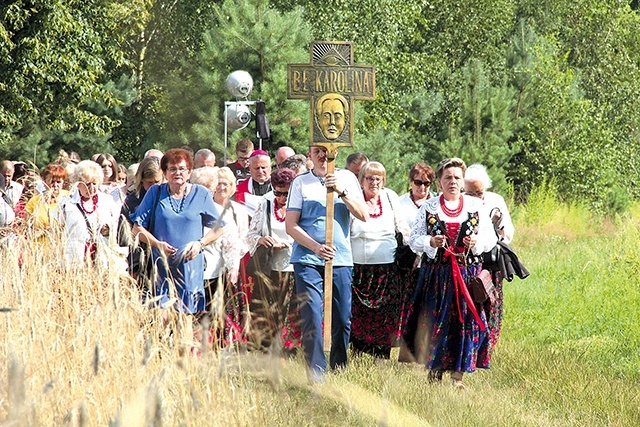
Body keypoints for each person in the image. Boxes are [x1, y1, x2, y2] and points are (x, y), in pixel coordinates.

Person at [402, 157, 496, 388]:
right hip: (437, 276)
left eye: (456, 177)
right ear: (439, 183)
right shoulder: (429, 207)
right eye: (447, 177)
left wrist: (476, 241)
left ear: (462, 181)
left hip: (466, 274)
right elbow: (413, 240)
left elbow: (490, 239)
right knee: (436, 323)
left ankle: (458, 376)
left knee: (464, 324)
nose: (452, 182)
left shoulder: (475, 207)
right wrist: (430, 241)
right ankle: (434, 372)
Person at [286, 145, 368, 382]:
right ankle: (316, 372)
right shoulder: (300, 183)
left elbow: (363, 215)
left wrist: (341, 192)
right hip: (308, 258)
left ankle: (339, 367)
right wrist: (315, 247)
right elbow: (291, 225)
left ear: (335, 153)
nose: (323, 155)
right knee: (312, 313)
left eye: (326, 151)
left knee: (342, 318)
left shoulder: (348, 179)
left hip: (340, 258)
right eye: (317, 151)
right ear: (310, 155)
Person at [130, 148, 223, 314]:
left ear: (189, 172)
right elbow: (137, 228)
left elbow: (219, 228)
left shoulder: (200, 193)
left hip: (190, 268)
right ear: (165, 173)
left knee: (185, 321)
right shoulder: (155, 192)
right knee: (163, 319)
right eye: (172, 169)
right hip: (162, 269)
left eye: (182, 169)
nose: (177, 173)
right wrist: (158, 244)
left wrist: (199, 244)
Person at [349, 161, 410, 359]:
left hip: (387, 268)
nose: (374, 182)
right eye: (369, 178)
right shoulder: (354, 198)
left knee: (385, 314)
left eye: (378, 178)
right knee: (358, 313)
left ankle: (380, 356)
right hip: (358, 268)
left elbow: (402, 226)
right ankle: (358, 353)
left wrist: (414, 248)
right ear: (362, 180)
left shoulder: (390, 197)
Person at [463, 163, 515, 366]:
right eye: (470, 193)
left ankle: (487, 348)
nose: (476, 197)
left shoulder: (496, 200)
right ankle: (470, 346)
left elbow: (508, 233)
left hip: (490, 264)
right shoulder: (461, 203)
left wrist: (497, 225)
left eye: (479, 192)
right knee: (472, 305)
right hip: (468, 263)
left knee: (491, 305)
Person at [246, 168, 301, 352]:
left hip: (292, 266)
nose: (282, 198)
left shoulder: (300, 203)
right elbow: (251, 234)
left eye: (286, 193)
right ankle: (261, 347)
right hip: (269, 267)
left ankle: (288, 349)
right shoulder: (266, 202)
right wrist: (261, 240)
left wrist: (285, 244)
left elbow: (308, 234)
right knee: (265, 308)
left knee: (290, 309)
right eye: (277, 192)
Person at [54, 160, 122, 269]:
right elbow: (56, 229)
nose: (91, 188)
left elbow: (119, 225)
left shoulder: (107, 201)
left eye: (94, 183)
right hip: (74, 259)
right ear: (78, 183)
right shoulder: (66, 203)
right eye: (87, 184)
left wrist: (109, 230)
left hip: (102, 259)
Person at [212, 166, 250, 345]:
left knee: (230, 303)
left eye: (226, 184)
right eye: (219, 183)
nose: (222, 187)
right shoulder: (208, 206)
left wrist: (233, 259)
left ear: (233, 186)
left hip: (233, 264)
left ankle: (229, 339)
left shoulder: (238, 210)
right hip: (211, 263)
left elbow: (245, 236)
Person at [118, 157, 164, 291]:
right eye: (150, 182)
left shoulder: (168, 196)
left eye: (157, 181)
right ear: (141, 179)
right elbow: (123, 236)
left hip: (164, 258)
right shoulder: (133, 200)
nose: (154, 186)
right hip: (140, 260)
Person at [24, 164, 69, 239]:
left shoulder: (68, 198)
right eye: (52, 182)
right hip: (38, 247)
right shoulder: (34, 201)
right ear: (43, 181)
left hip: (61, 246)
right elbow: (26, 230)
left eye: (58, 182)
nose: (55, 185)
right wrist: (42, 231)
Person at [398, 163, 436, 228]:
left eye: (426, 183)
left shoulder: (437, 202)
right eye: (418, 183)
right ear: (410, 181)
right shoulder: (399, 203)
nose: (422, 187)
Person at [235, 150, 272, 216]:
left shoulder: (280, 187)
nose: (260, 171)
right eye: (257, 168)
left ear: (270, 167)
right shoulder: (240, 189)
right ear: (250, 168)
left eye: (263, 167)